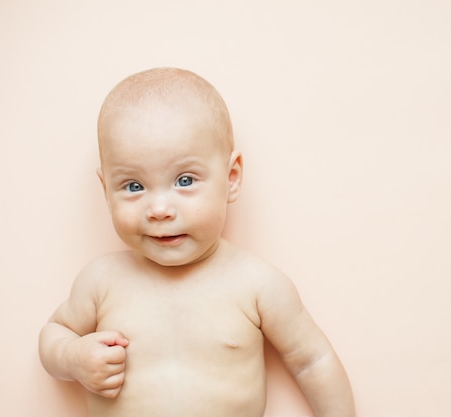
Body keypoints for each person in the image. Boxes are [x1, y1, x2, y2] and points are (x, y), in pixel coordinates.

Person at [38, 67, 355, 417]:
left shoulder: (257, 283)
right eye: (133, 186)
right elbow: (55, 333)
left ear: (231, 178)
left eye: (185, 180)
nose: (159, 209)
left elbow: (313, 361)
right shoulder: (101, 280)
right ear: (106, 190)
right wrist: (73, 358)